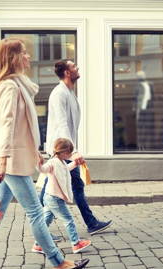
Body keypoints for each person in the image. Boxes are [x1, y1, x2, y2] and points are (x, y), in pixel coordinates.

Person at [0, 38, 89, 269]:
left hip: (17, 159)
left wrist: (36, 153)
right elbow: (7, 126)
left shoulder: (20, 86)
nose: (29, 57)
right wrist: (1, 161)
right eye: (24, 53)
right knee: (35, 211)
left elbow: (23, 128)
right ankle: (58, 261)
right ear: (13, 57)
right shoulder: (10, 87)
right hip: (12, 162)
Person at [42, 59, 113, 235]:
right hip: (61, 150)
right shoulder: (59, 93)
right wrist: (71, 151)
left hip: (64, 150)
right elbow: (62, 123)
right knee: (52, 189)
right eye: (73, 66)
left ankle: (41, 226)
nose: (77, 68)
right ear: (67, 72)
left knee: (59, 186)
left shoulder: (69, 93)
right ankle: (41, 227)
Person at [32, 138, 92, 255]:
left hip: (50, 197)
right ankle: (76, 243)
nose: (71, 155)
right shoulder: (53, 162)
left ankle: (38, 244)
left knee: (45, 221)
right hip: (54, 197)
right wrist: (38, 162)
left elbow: (65, 170)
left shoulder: (62, 162)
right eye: (70, 153)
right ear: (64, 152)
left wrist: (75, 163)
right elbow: (43, 169)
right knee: (68, 220)